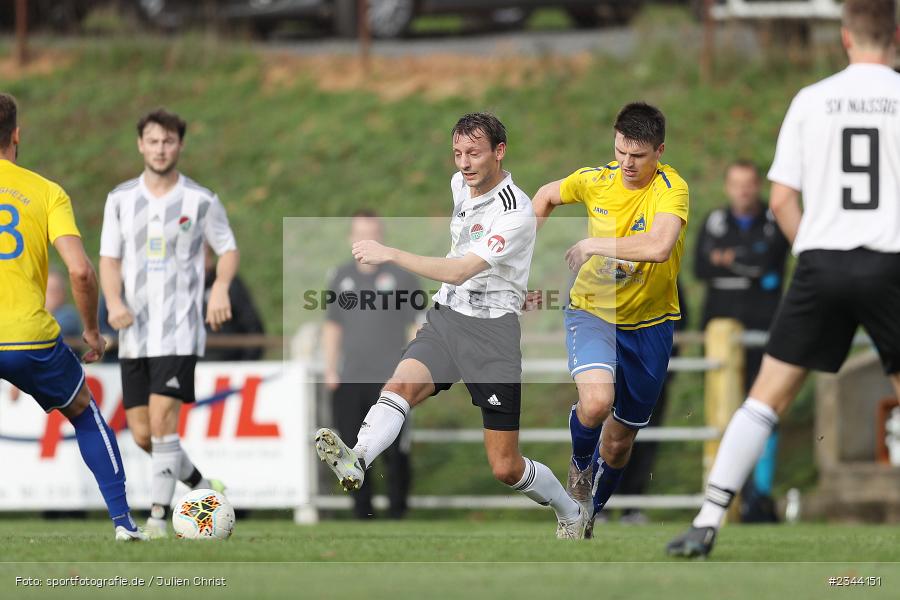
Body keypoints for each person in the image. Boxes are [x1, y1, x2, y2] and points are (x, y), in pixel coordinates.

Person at [668, 0, 900, 558]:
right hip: (891, 263)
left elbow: (781, 199)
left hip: (821, 262)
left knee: (764, 398)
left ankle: (706, 521)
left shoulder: (811, 100)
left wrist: (815, 252)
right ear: (895, 33)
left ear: (845, 37)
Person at [314, 112, 589, 538]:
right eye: (457, 153)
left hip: (493, 336)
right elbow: (466, 261)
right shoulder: (460, 185)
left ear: (500, 152)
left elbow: (461, 269)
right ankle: (358, 458)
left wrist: (391, 254)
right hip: (447, 318)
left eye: (474, 153)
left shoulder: (513, 211)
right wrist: (514, 281)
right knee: (400, 386)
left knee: (505, 466)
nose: (463, 163)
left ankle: (569, 509)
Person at [532, 102, 690, 536]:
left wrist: (594, 246)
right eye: (620, 150)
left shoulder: (671, 189)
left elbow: (659, 246)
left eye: (637, 155)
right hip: (593, 310)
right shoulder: (595, 180)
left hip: (652, 324)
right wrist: (513, 256)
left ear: (659, 151)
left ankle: (585, 517)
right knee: (597, 402)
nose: (626, 163)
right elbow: (545, 196)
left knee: (619, 444)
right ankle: (580, 472)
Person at [0, 92, 145, 541]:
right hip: (26, 338)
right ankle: (123, 524)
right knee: (84, 413)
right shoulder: (45, 193)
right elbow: (80, 271)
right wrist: (91, 331)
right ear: (17, 135)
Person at [99, 109, 239, 538]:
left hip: (179, 330)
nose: (161, 148)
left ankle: (158, 519)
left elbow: (228, 249)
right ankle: (202, 486)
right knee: (143, 434)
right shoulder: (120, 199)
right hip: (134, 332)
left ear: (180, 145)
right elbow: (109, 258)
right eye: (153, 141)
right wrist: (113, 301)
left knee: (163, 422)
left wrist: (219, 288)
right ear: (141, 144)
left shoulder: (201, 200)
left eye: (169, 141)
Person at [694, 159, 790, 523]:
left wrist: (730, 259)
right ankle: (723, 497)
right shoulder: (715, 221)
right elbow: (702, 268)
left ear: (757, 186)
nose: (743, 190)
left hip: (765, 329)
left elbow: (767, 264)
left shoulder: (774, 220)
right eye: (736, 184)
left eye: (749, 184)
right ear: (727, 186)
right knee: (725, 410)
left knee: (765, 408)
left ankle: (759, 496)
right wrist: (743, 262)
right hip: (720, 332)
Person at [322, 210, 421, 519]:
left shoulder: (403, 277)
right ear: (351, 238)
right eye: (361, 234)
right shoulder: (340, 277)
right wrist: (330, 368)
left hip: (392, 378)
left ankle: (397, 513)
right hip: (351, 377)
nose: (367, 241)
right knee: (352, 449)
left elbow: (417, 326)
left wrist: (412, 370)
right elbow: (332, 326)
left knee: (395, 450)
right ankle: (361, 514)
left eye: (373, 234)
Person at [201, 244, 265, 362]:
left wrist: (244, 365)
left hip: (229, 365)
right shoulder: (177, 289)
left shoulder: (231, 285)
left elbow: (253, 326)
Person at [46, 269, 82, 338]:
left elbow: (53, 331)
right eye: (50, 290)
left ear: (64, 293)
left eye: (57, 290)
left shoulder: (69, 314)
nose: (53, 295)